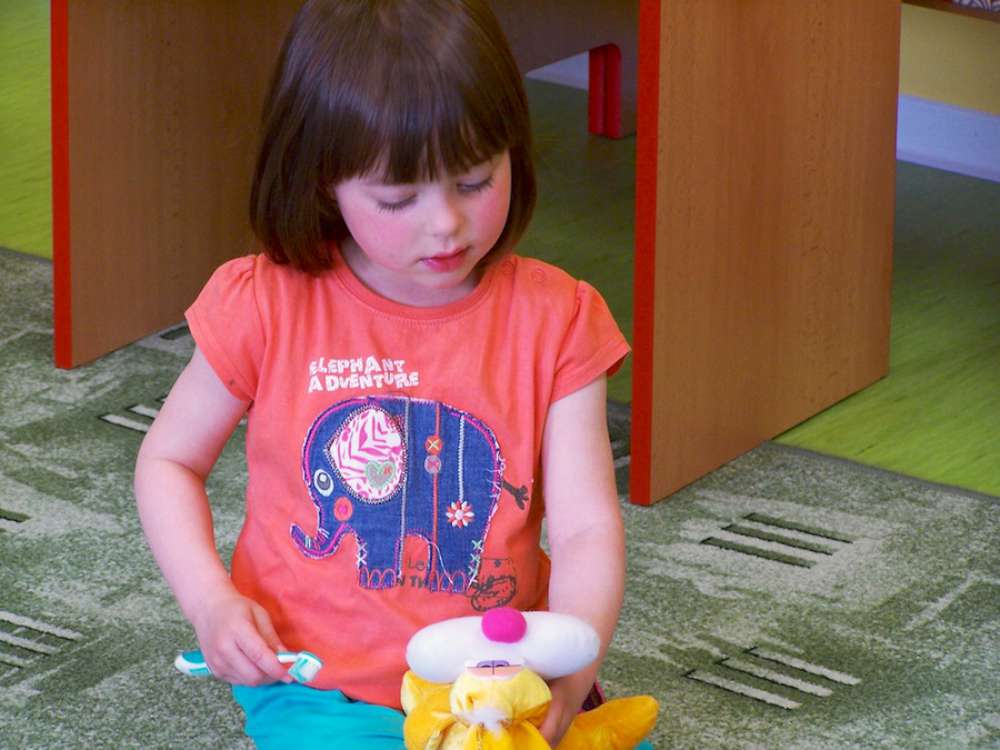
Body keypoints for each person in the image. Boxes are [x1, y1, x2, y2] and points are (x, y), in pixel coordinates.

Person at [135, 1, 650, 747]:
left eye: (475, 181)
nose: (445, 224)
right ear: (323, 181)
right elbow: (168, 462)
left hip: (496, 678)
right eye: (397, 198)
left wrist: (571, 670)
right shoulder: (265, 304)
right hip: (322, 683)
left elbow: (585, 529)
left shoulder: (558, 320)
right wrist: (210, 601)